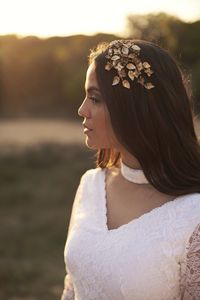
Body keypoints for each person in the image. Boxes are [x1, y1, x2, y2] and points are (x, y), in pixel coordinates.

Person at [61, 39, 200, 300]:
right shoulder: (91, 185)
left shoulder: (194, 215)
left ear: (136, 108)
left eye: (96, 98)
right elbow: (73, 286)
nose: (82, 110)